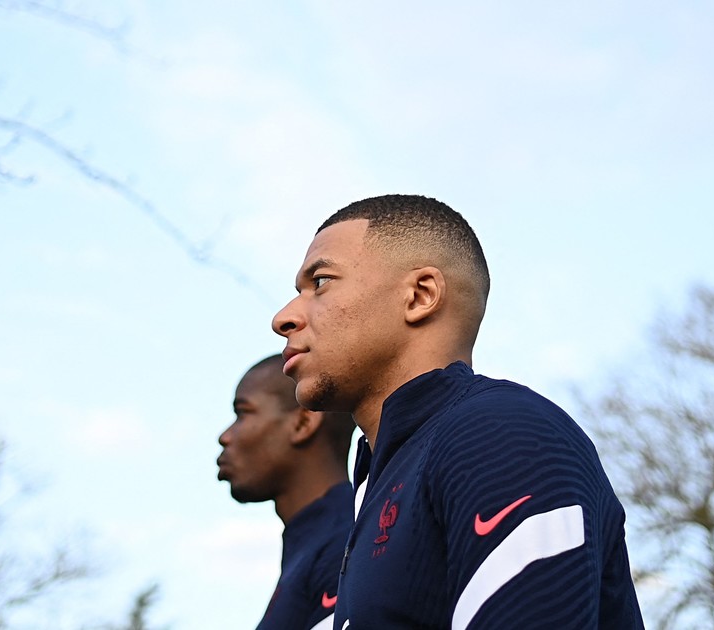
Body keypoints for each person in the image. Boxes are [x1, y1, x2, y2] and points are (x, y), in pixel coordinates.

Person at [271, 195, 644, 629]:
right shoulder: (383, 479)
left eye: (320, 282)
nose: (283, 318)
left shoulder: (499, 431)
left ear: (420, 296)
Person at [217, 354, 357, 630]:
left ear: (303, 423)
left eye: (243, 412)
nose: (225, 436)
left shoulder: (349, 543)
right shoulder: (316, 544)